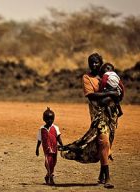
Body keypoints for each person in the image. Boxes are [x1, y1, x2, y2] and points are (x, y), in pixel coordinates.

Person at [60, 53, 120, 189]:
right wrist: (111, 94)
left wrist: (116, 95)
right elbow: (91, 95)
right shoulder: (87, 78)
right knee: (104, 140)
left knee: (106, 143)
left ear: (101, 63)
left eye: (96, 62)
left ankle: (101, 174)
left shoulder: (108, 75)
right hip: (97, 115)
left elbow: (119, 92)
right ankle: (108, 178)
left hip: (111, 116)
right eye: (91, 62)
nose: (94, 65)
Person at [36, 107, 63, 185]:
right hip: (47, 150)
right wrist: (37, 149)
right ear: (44, 119)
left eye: (51, 119)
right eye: (47, 119)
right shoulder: (41, 129)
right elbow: (39, 140)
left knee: (53, 163)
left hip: (54, 148)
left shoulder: (55, 128)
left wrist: (62, 145)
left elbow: (58, 138)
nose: (49, 121)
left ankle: (47, 175)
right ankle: (51, 177)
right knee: (47, 161)